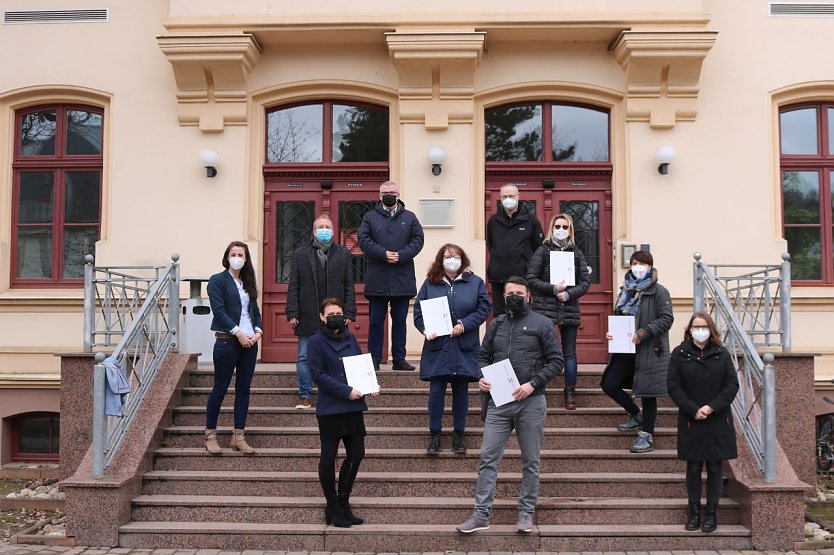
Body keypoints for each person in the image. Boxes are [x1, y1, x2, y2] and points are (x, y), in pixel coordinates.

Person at [457, 276, 564, 535]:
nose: (513, 296)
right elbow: (482, 356)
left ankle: (526, 514)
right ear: (503, 297)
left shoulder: (543, 324)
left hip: (531, 402)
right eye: (509, 293)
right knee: (488, 458)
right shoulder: (496, 324)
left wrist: (532, 384)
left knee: (531, 461)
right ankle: (481, 514)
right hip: (499, 402)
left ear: (528, 296)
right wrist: (481, 376)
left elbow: (556, 360)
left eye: (518, 292)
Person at [307, 297, 380, 528]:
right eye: (330, 314)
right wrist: (346, 391)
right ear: (321, 317)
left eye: (338, 313)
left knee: (357, 453)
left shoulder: (351, 338)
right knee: (328, 459)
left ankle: (343, 500)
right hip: (331, 407)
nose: (335, 317)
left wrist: (370, 386)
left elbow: (360, 366)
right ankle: (331, 505)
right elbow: (318, 374)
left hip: (352, 407)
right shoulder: (315, 341)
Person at [414, 244, 491, 456]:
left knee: (461, 393)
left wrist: (464, 324)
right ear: (441, 260)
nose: (452, 259)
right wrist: (425, 329)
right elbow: (419, 312)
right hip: (438, 347)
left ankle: (459, 435)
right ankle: (435, 435)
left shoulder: (475, 282)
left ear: (462, 259)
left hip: (464, 346)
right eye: (448, 256)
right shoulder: (431, 283)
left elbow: (484, 308)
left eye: (456, 256)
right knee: (436, 394)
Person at [667, 312, 739, 533]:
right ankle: (694, 512)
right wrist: (692, 408)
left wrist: (711, 407)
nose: (700, 330)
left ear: (711, 329)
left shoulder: (722, 353)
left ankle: (711, 514)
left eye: (704, 326)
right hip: (692, 419)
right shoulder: (679, 354)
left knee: (716, 466)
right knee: (694, 466)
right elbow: (673, 386)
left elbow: (731, 385)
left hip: (717, 418)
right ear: (689, 329)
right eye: (696, 326)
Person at [602, 250, 674, 454]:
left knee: (648, 393)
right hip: (624, 348)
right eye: (634, 263)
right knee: (609, 384)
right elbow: (619, 316)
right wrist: (612, 333)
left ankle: (646, 435)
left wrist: (643, 333)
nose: (638, 267)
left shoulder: (659, 291)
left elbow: (666, 319)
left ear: (650, 267)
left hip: (649, 349)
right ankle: (636, 414)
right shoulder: (624, 290)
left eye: (642, 263)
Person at [286, 214, 356, 409]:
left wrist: (349, 312)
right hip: (307, 312)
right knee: (304, 356)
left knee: (339, 354)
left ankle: (341, 391)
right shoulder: (301, 254)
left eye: (327, 226)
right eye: (320, 227)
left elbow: (349, 285)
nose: (324, 230)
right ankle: (305, 395)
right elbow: (294, 286)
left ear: (333, 231)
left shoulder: (343, 253)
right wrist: (292, 312)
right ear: (314, 231)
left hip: (335, 315)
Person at [526, 213, 591, 410]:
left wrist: (569, 294)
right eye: (558, 226)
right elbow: (531, 279)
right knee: (541, 352)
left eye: (565, 227)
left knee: (569, 353)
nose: (561, 230)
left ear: (570, 230)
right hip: (545, 310)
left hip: (569, 309)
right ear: (551, 228)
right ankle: (537, 389)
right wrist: (553, 289)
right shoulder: (542, 251)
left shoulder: (576, 252)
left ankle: (570, 393)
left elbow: (585, 282)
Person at [204, 241, 263, 455]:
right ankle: (210, 435)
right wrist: (238, 333)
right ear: (227, 257)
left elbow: (254, 311)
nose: (237, 257)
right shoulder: (217, 281)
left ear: (246, 259)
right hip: (228, 341)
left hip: (250, 342)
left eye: (241, 254)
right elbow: (219, 312)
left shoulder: (248, 283)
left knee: (243, 390)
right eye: (234, 254)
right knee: (220, 388)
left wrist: (258, 332)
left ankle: (238, 436)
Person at [358, 181, 425, 371]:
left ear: (398, 194)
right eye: (385, 192)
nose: (389, 195)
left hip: (401, 278)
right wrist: (383, 253)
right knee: (375, 322)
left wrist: (402, 255)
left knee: (400, 322)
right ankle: (374, 359)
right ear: (379, 195)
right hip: (377, 278)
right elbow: (363, 240)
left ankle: (399, 359)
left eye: (392, 192)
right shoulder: (369, 217)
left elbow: (418, 240)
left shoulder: (410, 217)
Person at [485, 184, 544, 315]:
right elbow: (491, 244)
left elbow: (539, 248)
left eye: (511, 196)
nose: (508, 199)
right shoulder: (494, 221)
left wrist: (529, 268)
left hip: (522, 278)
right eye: (504, 196)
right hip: (498, 277)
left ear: (518, 196)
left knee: (522, 313)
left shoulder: (531, 220)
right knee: (500, 314)